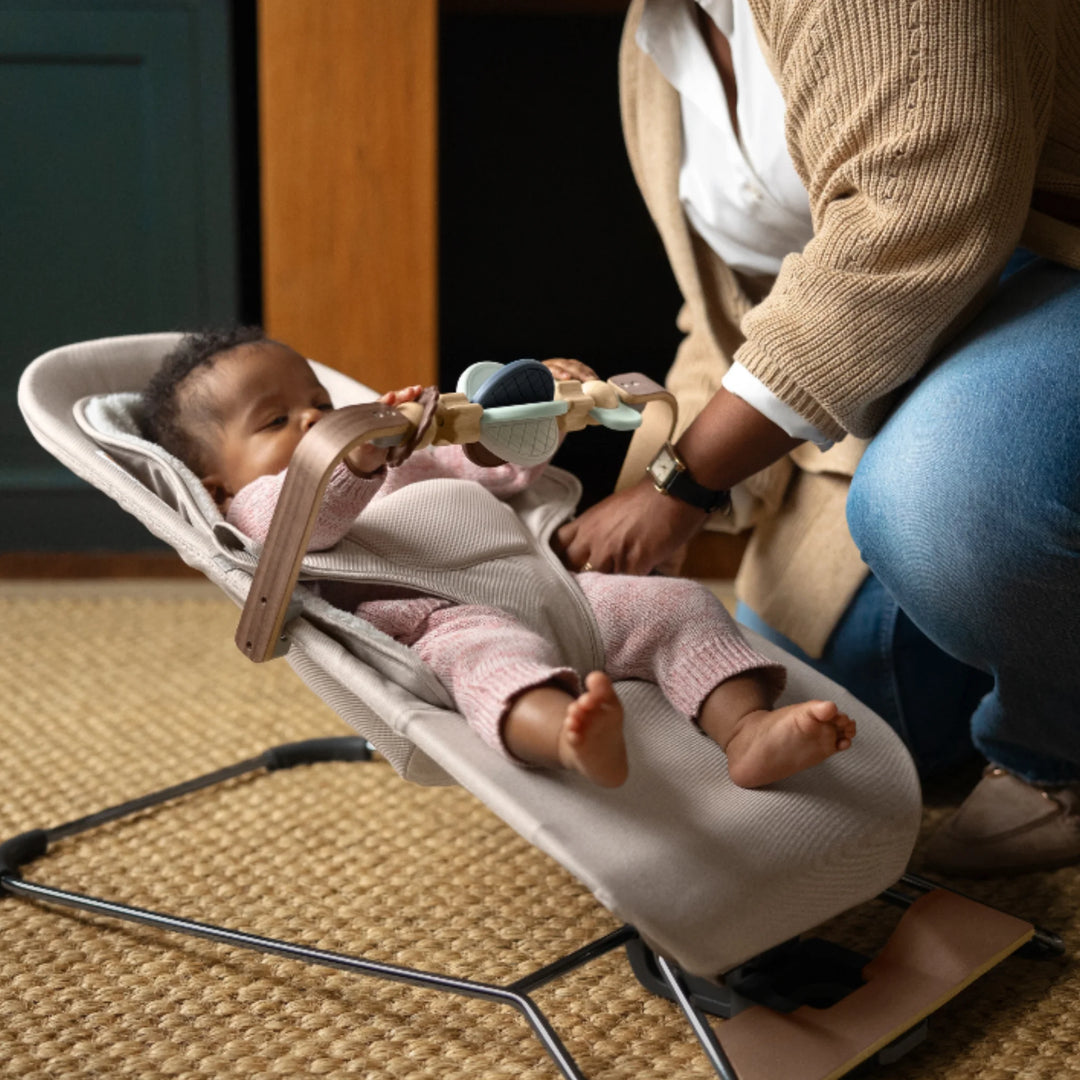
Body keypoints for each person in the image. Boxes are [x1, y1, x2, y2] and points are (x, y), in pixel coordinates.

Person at [555, 0, 1080, 872]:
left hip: (1045, 266)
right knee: (841, 713)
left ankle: (1056, 761)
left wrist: (682, 485)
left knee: (945, 509)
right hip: (901, 359)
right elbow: (729, 308)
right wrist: (640, 491)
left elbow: (914, 220)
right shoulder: (655, 43)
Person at [139, 327, 856, 790]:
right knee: (492, 667)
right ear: (217, 482)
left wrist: (513, 419)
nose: (314, 421)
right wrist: (348, 459)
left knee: (681, 606)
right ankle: (569, 740)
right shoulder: (256, 507)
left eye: (318, 401)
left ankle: (745, 729)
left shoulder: (398, 462)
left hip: (556, 589)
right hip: (446, 622)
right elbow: (300, 524)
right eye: (276, 420)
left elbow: (501, 475)